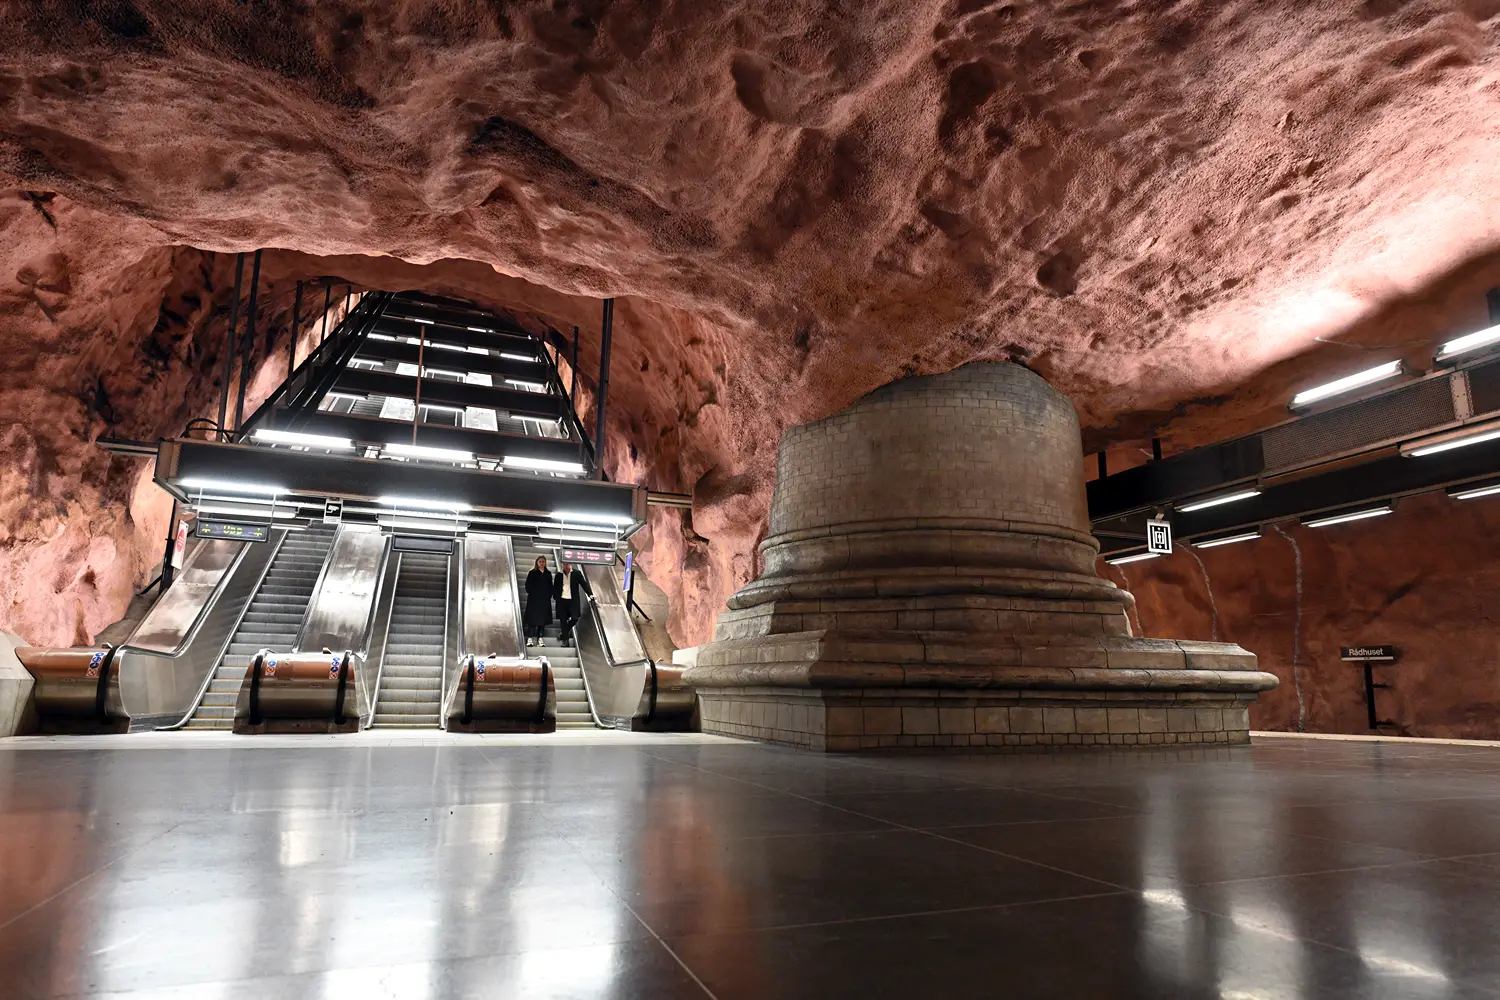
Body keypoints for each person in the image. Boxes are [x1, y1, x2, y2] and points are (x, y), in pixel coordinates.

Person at [552, 561, 594, 647]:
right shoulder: (559, 575)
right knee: (563, 620)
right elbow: (555, 587)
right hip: (562, 601)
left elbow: (584, 584)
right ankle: (565, 641)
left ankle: (564, 633)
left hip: (573, 601)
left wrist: (590, 594)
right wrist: (556, 597)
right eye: (564, 564)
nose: (566, 566)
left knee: (575, 618)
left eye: (567, 564)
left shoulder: (576, 573)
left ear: (570, 565)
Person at [523, 555, 553, 647]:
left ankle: (540, 638)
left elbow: (550, 586)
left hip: (544, 600)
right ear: (537, 563)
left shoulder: (548, 573)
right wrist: (532, 593)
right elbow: (528, 585)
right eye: (540, 562)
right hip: (534, 600)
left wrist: (549, 595)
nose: (541, 563)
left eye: (543, 562)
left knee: (542, 621)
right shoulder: (532, 573)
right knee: (532, 620)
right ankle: (530, 638)